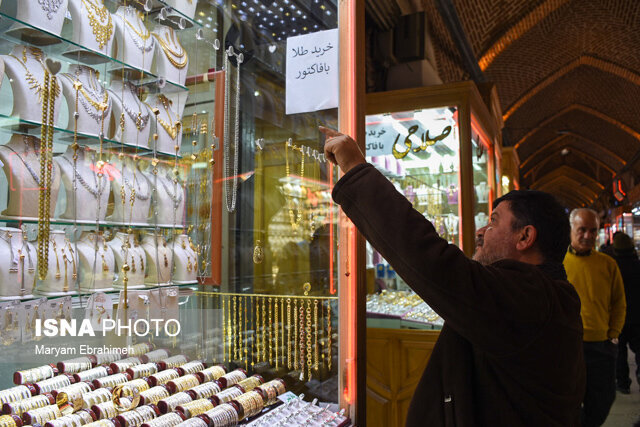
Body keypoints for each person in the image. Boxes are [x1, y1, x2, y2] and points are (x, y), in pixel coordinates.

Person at [320, 127, 585, 426]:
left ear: (525, 237)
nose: (481, 231)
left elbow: (433, 261)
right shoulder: (542, 296)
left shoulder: (530, 299)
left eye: (494, 222)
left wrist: (356, 171)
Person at [563, 209, 627, 426]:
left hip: (601, 346)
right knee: (566, 400)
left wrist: (614, 335)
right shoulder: (558, 264)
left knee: (603, 399)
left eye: (593, 230)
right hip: (568, 346)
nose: (588, 236)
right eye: (582, 230)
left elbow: (619, 302)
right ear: (570, 230)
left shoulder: (608, 265)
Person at [610, 232, 640, 394]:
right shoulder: (638, 264)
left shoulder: (612, 266)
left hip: (619, 317)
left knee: (619, 351)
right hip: (638, 316)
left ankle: (623, 383)